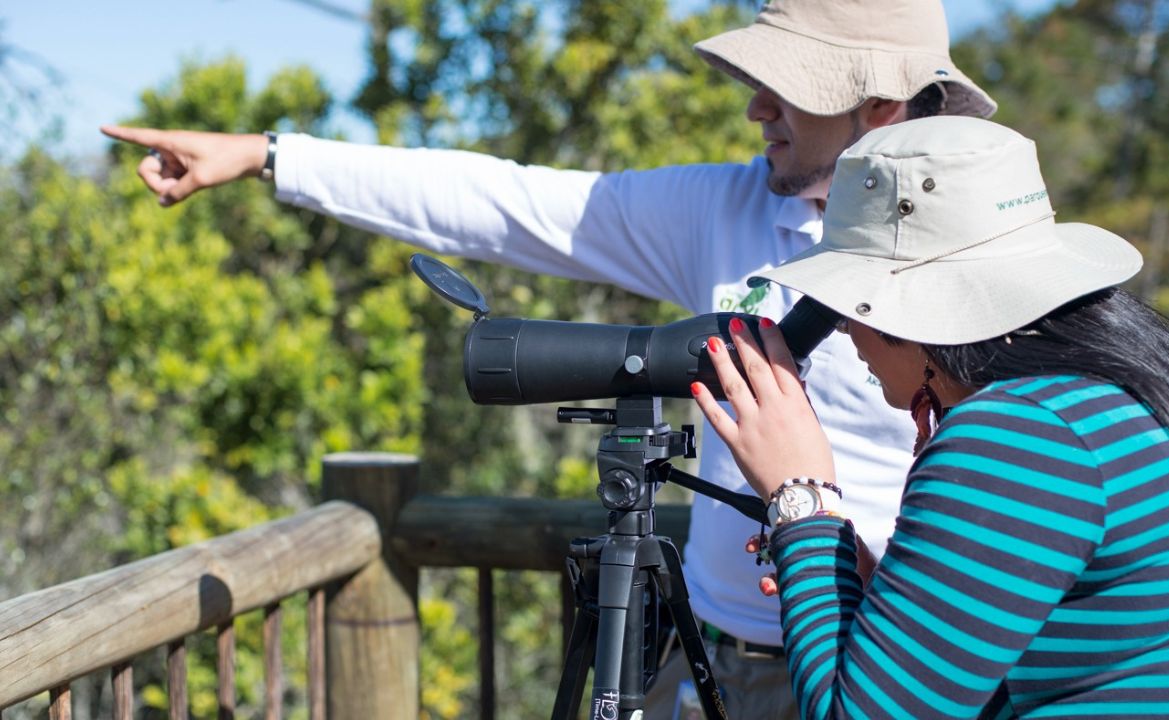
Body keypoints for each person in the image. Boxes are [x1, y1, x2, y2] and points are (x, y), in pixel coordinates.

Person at [101, 1, 997, 715]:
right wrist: (271, 155)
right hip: (706, 660)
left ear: (879, 106)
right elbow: (502, 202)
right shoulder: (724, 211)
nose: (755, 105)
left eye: (787, 87)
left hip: (872, 673)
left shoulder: (980, 255)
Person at [692, 115, 1169, 717]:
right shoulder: (1107, 395)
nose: (843, 325)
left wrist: (802, 496)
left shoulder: (1018, 436)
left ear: (907, 306)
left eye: (849, 301)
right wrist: (883, 591)